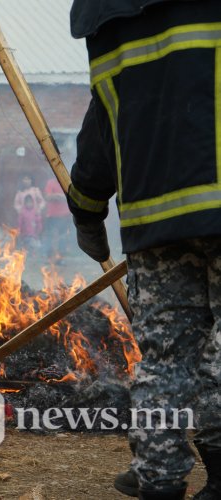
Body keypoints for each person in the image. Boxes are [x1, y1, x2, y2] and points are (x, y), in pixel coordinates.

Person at [68, 1, 221, 498]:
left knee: (165, 359)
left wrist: (87, 208)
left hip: (154, 220)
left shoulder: (109, 20)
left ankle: (159, 478)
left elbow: (102, 125)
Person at [42, 176, 70, 262]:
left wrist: (61, 196)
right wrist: (58, 196)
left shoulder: (66, 181)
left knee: (63, 237)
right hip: (52, 215)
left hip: (65, 215)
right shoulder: (51, 182)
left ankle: (60, 258)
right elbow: (47, 197)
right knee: (50, 236)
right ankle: (49, 258)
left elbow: (70, 195)